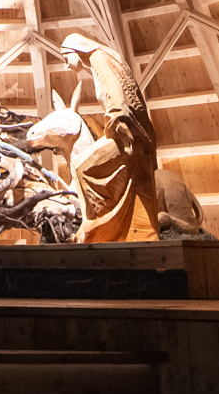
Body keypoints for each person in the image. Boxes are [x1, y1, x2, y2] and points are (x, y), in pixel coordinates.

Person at [60, 33, 162, 243]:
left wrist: (116, 120)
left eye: (65, 58)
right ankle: (145, 233)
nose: (66, 66)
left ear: (76, 50)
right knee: (141, 186)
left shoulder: (98, 58)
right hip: (140, 133)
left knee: (81, 166)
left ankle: (99, 228)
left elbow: (114, 91)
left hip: (126, 131)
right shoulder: (104, 57)